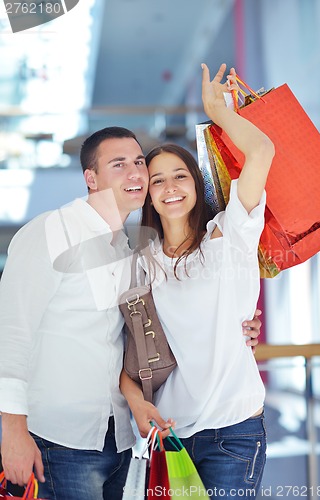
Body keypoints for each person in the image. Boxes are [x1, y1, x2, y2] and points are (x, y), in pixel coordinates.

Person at [0, 125, 262, 499]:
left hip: (120, 442)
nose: (135, 172)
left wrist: (240, 324)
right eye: (118, 164)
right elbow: (11, 334)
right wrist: (12, 431)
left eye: (139, 161)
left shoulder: (131, 253)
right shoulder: (48, 232)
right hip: (60, 440)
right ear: (91, 178)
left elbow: (136, 339)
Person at [120, 62, 275, 498]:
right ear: (146, 193)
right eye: (157, 180)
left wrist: (219, 112)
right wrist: (136, 404)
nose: (170, 187)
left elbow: (261, 152)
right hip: (169, 435)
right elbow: (120, 349)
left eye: (180, 176)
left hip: (234, 432)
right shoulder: (140, 262)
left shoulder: (227, 236)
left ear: (196, 184)